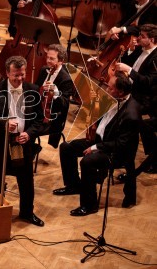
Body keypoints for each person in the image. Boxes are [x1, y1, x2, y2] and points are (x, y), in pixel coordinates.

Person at [53, 72, 141, 213]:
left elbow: (122, 144)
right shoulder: (113, 98)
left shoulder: (132, 114)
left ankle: (89, 205)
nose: (107, 90)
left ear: (121, 91)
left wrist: (96, 147)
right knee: (66, 147)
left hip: (114, 151)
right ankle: (73, 185)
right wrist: (93, 123)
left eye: (110, 88)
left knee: (88, 161)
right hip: (100, 140)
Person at [0, 56, 45, 226]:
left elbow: (40, 119)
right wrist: (4, 123)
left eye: (22, 75)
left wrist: (29, 134)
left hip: (22, 142)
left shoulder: (33, 90)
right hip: (0, 142)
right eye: (16, 75)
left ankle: (27, 213)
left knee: (25, 179)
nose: (19, 79)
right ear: (7, 73)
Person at [114, 24, 157, 176]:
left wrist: (129, 70)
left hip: (145, 99)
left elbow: (148, 82)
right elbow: (128, 61)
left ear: (151, 39)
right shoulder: (140, 48)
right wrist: (130, 50)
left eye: (142, 36)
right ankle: (116, 152)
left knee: (127, 121)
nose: (138, 38)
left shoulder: (156, 57)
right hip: (132, 91)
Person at [34, 44, 74, 148]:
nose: (48, 61)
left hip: (52, 117)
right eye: (47, 57)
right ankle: (28, 150)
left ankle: (30, 150)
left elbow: (64, 104)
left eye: (52, 58)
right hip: (38, 111)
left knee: (28, 127)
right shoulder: (44, 70)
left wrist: (55, 92)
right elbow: (36, 89)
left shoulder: (66, 79)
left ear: (61, 61)